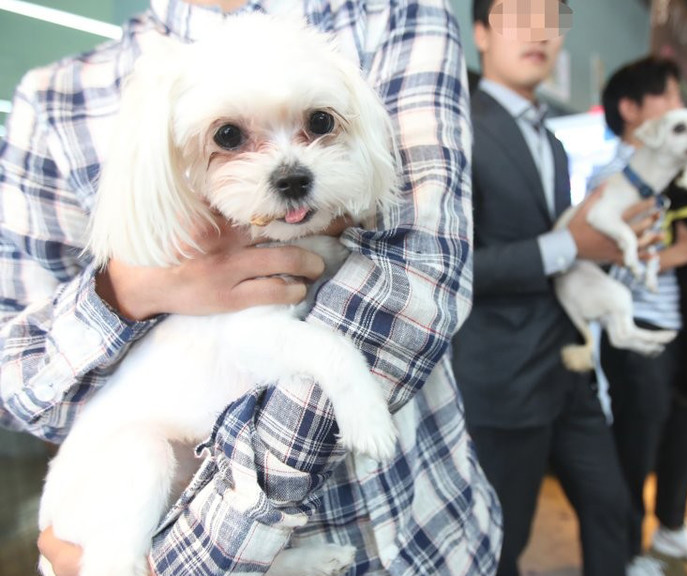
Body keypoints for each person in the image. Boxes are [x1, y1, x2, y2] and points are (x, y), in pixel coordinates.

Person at [0, 1, 501, 574]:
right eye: (231, 137)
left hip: (424, 536)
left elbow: (420, 286)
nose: (288, 168)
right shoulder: (54, 96)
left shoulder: (393, 13)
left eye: (318, 125)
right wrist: (130, 289)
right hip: (136, 474)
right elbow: (18, 385)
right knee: (142, 464)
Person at [451, 2, 659, 576]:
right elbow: (455, 266)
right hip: (504, 374)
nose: (539, 34)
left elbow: (571, 251)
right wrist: (573, 245)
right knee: (503, 540)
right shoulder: (458, 124)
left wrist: (616, 246)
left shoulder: (557, 142)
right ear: (482, 35)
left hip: (569, 363)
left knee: (612, 506)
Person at [592, 57, 687, 575]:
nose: (681, 110)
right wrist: (685, 252)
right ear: (634, 112)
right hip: (637, 331)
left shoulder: (678, 178)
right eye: (670, 101)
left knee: (683, 431)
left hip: (682, 328)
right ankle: (628, 551)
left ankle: (672, 528)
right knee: (636, 443)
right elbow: (605, 261)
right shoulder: (612, 178)